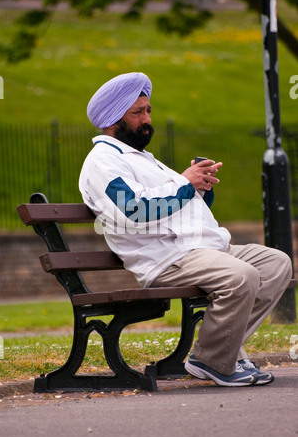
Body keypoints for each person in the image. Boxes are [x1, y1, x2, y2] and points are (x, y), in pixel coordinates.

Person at [79, 72, 292, 387]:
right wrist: (184, 183)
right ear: (113, 120)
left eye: (148, 110)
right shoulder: (103, 163)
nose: (147, 119)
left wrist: (200, 187)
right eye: (137, 113)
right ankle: (212, 361)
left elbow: (176, 205)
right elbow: (134, 211)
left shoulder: (142, 159)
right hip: (167, 258)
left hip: (202, 249)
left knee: (277, 264)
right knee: (241, 276)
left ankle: (226, 352)